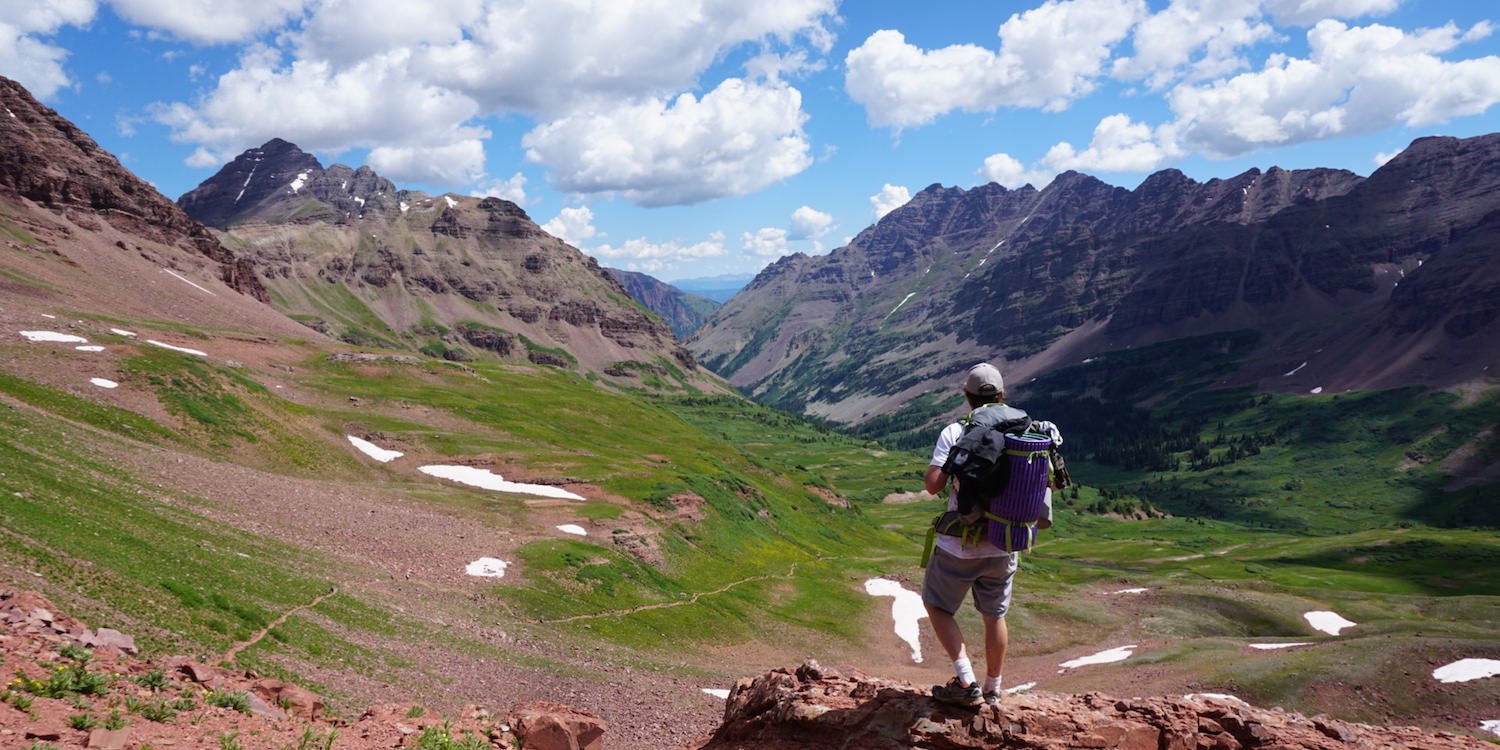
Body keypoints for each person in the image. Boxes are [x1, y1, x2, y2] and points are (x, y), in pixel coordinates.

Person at [922, 361, 1050, 709]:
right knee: (994, 615)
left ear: (968, 396)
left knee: (936, 604)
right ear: (1003, 394)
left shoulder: (955, 432)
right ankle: (994, 687)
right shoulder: (1028, 430)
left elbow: (933, 487)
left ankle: (966, 682)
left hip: (959, 546)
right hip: (1005, 540)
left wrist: (951, 465)